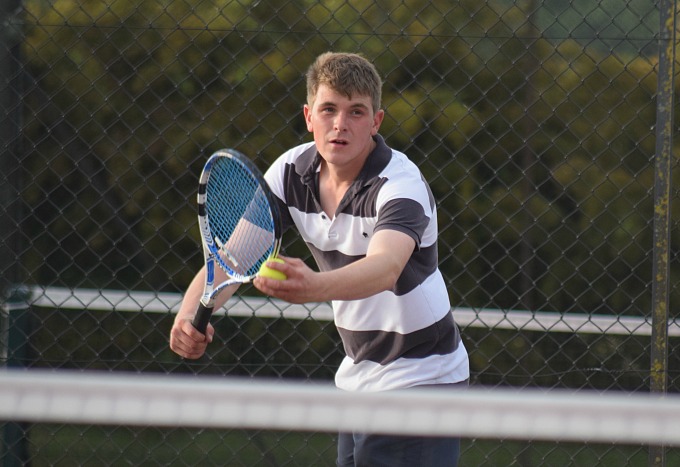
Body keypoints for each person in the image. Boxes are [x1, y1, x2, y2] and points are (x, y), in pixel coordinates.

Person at [170, 51, 470, 466]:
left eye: (356, 112)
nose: (340, 124)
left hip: (422, 375)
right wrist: (188, 315)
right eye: (329, 109)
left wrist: (313, 287)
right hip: (359, 374)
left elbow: (386, 268)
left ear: (376, 122)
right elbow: (234, 258)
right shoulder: (290, 172)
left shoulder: (400, 185)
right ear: (309, 116)